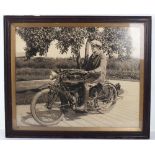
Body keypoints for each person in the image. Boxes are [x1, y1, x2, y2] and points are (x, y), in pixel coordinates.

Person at [76, 40, 107, 111]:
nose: (92, 48)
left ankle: (85, 106)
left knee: (86, 84)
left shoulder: (102, 56)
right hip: (92, 75)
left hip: (99, 76)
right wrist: (81, 71)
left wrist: (92, 71)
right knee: (80, 82)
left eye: (94, 47)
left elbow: (101, 68)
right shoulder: (92, 56)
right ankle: (81, 101)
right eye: (92, 46)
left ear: (98, 47)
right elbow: (87, 67)